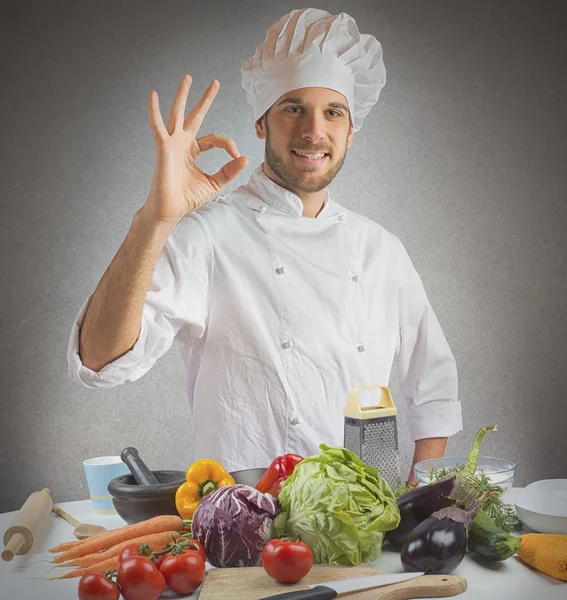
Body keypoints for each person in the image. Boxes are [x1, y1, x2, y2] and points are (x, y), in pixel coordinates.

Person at [67, 8, 462, 485]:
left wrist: (420, 498)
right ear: (261, 123)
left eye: (333, 112)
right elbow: (98, 360)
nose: (314, 131)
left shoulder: (381, 249)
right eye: (293, 107)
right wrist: (153, 219)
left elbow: (433, 385)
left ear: (351, 132)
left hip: (365, 522)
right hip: (247, 522)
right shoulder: (207, 234)